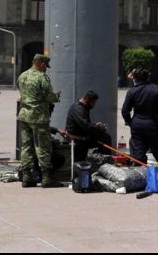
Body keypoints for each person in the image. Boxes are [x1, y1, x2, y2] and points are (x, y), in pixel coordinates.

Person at [17, 54, 62, 188]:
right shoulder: (42, 77)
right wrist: (56, 97)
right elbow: (49, 96)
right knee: (43, 146)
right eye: (45, 66)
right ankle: (46, 178)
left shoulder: (22, 75)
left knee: (26, 146)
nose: (46, 69)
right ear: (41, 63)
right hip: (38, 117)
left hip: (24, 116)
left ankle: (27, 177)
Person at [121, 68, 158, 166]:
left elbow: (125, 111)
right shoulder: (156, 88)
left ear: (135, 79)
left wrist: (130, 122)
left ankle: (141, 176)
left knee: (138, 153)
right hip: (151, 123)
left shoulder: (132, 91)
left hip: (137, 124)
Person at [66, 90, 113, 161]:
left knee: (105, 137)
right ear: (86, 100)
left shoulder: (84, 107)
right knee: (105, 138)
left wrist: (95, 125)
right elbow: (85, 126)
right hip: (77, 138)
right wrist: (98, 128)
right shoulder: (78, 109)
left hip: (83, 135)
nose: (94, 105)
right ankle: (104, 162)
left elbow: (86, 124)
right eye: (93, 103)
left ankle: (103, 160)